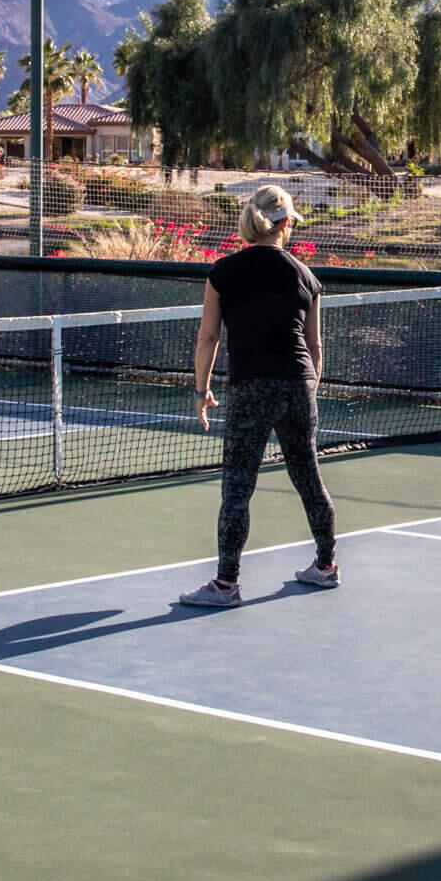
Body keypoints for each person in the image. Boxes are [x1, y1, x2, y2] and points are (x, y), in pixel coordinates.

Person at [176, 184, 340, 607]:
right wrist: (308, 389)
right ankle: (326, 566)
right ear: (285, 225)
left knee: (237, 488)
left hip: (250, 389)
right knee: (309, 479)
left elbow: (208, 337)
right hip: (296, 385)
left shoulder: (222, 273)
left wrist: (201, 389)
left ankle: (226, 585)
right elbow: (315, 347)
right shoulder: (306, 276)